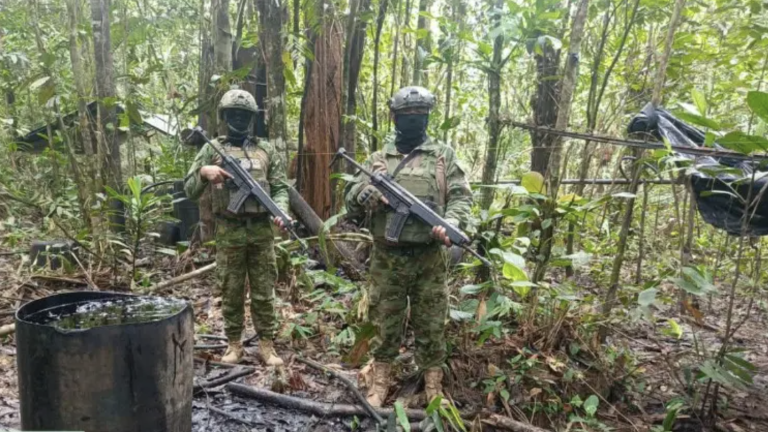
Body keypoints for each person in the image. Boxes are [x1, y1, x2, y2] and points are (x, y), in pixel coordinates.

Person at [344, 86, 472, 406]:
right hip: (388, 256)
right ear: (395, 117)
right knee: (384, 321)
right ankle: (380, 381)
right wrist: (365, 195)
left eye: (419, 116)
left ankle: (433, 387)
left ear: (428, 117)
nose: (413, 121)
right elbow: (351, 203)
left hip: (429, 255)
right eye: (406, 116)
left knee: (431, 321)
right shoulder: (378, 160)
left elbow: (460, 198)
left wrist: (451, 226)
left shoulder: (443, 156)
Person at [184, 89, 291, 365]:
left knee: (264, 290)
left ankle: (266, 344)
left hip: (261, 232)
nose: (239, 120)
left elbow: (280, 187)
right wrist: (204, 173)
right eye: (233, 114)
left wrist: (281, 212)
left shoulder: (265, 149)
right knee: (231, 289)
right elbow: (189, 189)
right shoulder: (212, 148)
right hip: (229, 229)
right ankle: (234, 344)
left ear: (252, 118)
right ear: (224, 116)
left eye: (244, 115)